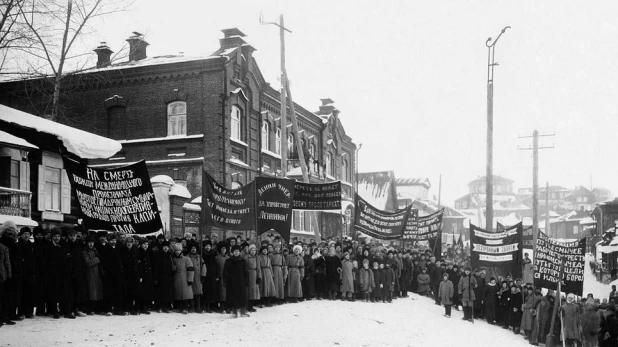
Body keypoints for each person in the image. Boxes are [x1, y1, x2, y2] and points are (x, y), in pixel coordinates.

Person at [223, 244, 249, 318]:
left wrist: (246, 281)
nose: (236, 253)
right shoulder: (228, 261)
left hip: (241, 281)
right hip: (231, 282)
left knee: (242, 297)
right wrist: (225, 281)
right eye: (235, 251)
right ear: (232, 252)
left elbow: (246, 272)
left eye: (237, 251)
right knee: (233, 296)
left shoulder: (243, 261)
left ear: (240, 252)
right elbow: (225, 272)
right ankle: (234, 312)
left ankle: (243, 311)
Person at [82, 236, 104, 315]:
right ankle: (90, 309)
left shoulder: (95, 250)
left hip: (97, 273)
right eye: (89, 242)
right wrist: (97, 259)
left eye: (92, 242)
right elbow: (88, 263)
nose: (91, 244)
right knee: (91, 292)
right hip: (90, 274)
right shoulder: (84, 252)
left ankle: (97, 308)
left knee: (98, 292)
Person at [120, 236, 140, 315]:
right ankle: (126, 308)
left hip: (134, 274)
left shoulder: (135, 251)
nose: (129, 244)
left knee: (134, 292)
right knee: (126, 292)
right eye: (127, 242)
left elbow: (138, 263)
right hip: (125, 274)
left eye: (130, 242)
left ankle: (132, 308)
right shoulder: (122, 251)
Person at [0, 222, 13, 326]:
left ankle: (6, 316)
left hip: (6, 275)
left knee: (7, 297)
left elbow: (7, 263)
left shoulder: (11, 246)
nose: (11, 236)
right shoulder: (2, 245)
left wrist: (9, 275)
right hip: (2, 275)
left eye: (12, 234)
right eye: (9, 234)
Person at [187, 244, 206, 314]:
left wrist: (203, 275)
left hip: (198, 277)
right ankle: (191, 307)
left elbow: (203, 266)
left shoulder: (199, 257)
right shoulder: (187, 257)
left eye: (194, 248)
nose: (193, 250)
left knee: (198, 292)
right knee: (191, 292)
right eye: (192, 248)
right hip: (191, 277)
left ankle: (198, 307)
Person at [201, 241, 219, 313]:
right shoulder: (202, 255)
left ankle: (209, 306)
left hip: (211, 276)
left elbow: (216, 266)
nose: (207, 247)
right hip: (204, 275)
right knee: (204, 291)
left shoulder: (212, 255)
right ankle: (204, 306)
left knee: (210, 291)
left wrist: (216, 275)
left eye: (209, 246)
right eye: (206, 246)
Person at [245, 244, 261, 312]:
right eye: (251, 250)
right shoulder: (246, 257)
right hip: (249, 274)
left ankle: (251, 305)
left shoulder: (257, 258)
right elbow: (244, 267)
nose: (253, 251)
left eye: (254, 250)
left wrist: (259, 277)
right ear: (249, 251)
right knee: (248, 291)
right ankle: (248, 306)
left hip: (254, 274)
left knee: (254, 291)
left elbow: (258, 268)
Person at [215, 242, 229, 313]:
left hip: (227, 276)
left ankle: (227, 306)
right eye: (222, 248)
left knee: (227, 292)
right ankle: (221, 306)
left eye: (225, 248)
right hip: (220, 276)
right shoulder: (217, 257)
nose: (223, 250)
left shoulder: (228, 257)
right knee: (221, 292)